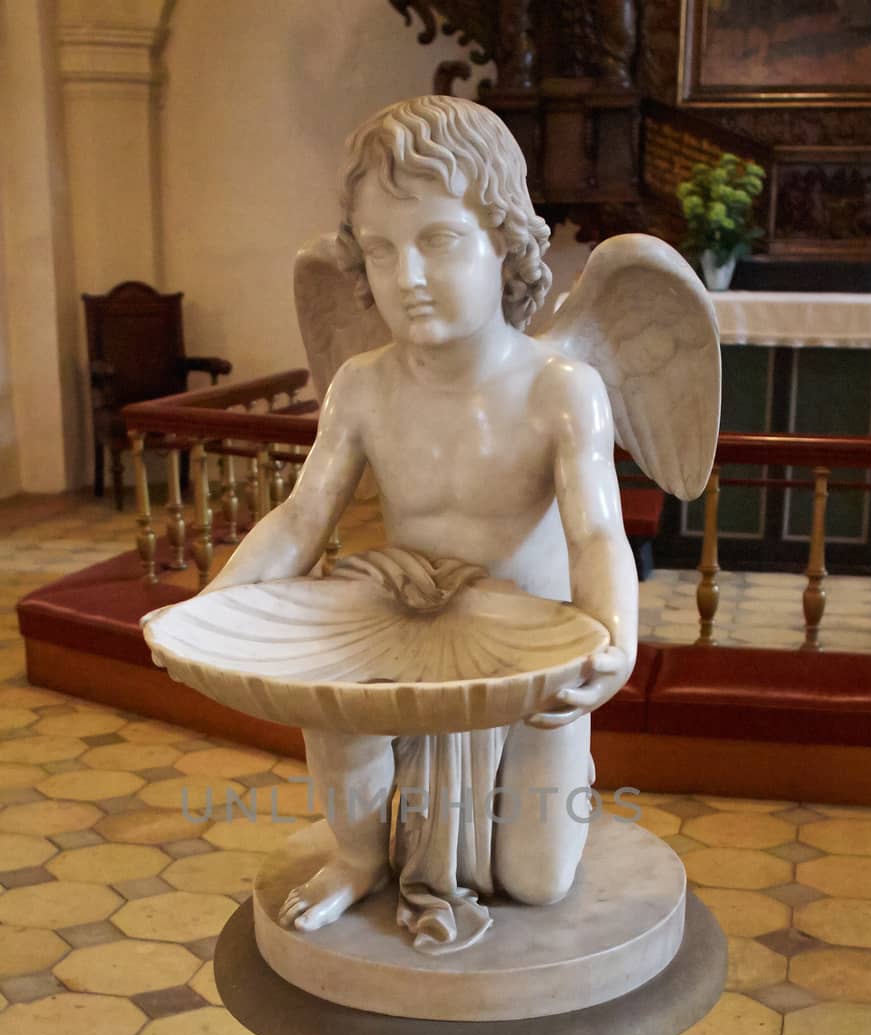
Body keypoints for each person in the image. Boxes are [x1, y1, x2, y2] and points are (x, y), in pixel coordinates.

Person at [202, 97, 637, 948]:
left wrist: (614, 637)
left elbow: (595, 534)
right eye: (379, 249)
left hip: (529, 657)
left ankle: (556, 778)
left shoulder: (559, 387)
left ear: (504, 241)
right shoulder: (362, 384)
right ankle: (361, 853)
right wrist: (213, 606)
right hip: (402, 633)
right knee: (329, 677)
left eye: (438, 240)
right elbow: (301, 517)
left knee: (537, 883)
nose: (406, 277)